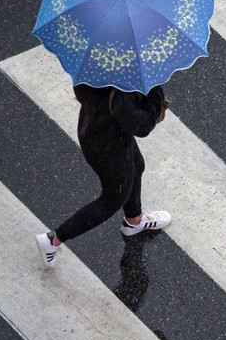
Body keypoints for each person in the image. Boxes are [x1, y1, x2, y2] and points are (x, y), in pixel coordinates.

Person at [36, 84, 172, 267]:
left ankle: (134, 221)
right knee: (113, 198)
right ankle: (54, 239)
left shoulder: (103, 73)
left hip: (97, 129)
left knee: (137, 164)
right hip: (109, 148)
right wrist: (155, 93)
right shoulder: (121, 94)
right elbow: (142, 126)